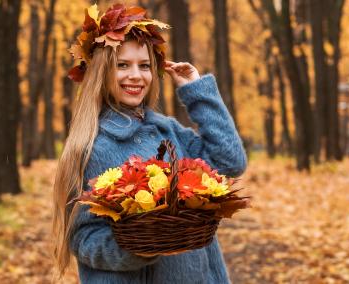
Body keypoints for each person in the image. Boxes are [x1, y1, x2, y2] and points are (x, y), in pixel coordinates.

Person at [52, 3, 247, 284]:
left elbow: (230, 161)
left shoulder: (167, 131)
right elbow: (84, 239)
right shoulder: (91, 147)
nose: (136, 75)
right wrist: (139, 248)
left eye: (144, 66)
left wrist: (196, 90)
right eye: (122, 65)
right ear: (101, 72)